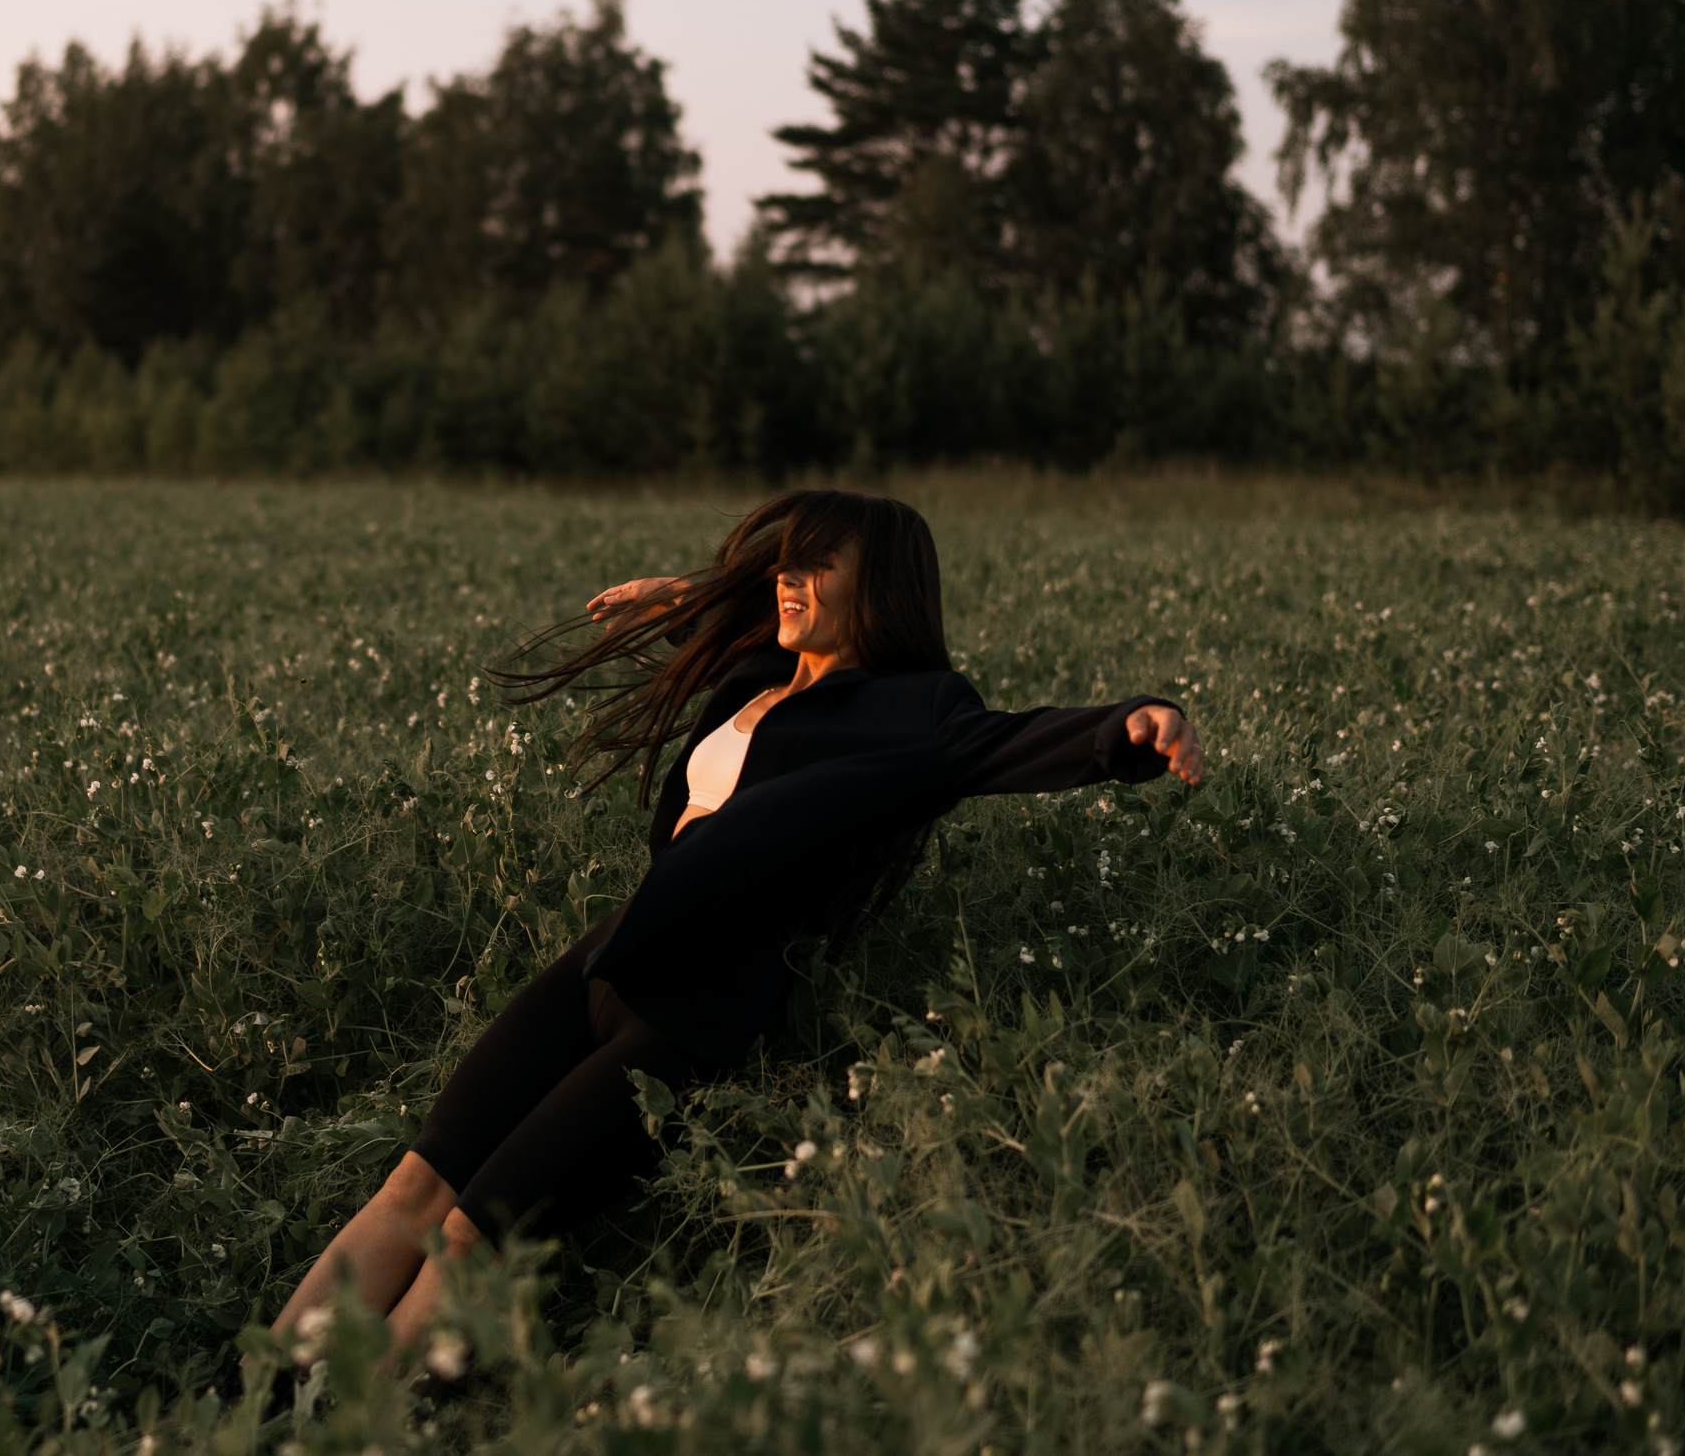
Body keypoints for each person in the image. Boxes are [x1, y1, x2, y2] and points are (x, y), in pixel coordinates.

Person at [265, 490, 1202, 1366]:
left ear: (880, 587)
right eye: (787, 561)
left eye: (818, 565)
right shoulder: (759, 669)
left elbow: (1009, 742)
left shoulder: (915, 713)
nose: (790, 578)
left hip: (695, 1010)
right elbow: (742, 618)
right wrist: (682, 599)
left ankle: (346, 1427)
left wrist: (1134, 725)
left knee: (474, 1232)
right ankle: (255, 1396)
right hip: (611, 953)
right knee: (413, 1188)